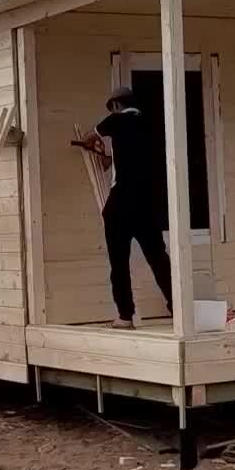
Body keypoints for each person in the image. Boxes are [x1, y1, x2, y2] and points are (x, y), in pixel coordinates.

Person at [76, 86, 173, 329]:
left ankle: (125, 316)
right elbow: (124, 160)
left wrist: (93, 143)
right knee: (158, 258)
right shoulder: (151, 124)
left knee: (119, 262)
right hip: (149, 202)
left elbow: (90, 137)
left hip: (122, 201)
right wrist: (107, 157)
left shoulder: (117, 120)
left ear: (117, 105)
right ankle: (177, 306)